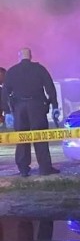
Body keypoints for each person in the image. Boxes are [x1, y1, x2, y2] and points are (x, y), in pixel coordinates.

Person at [1, 48, 60, 177]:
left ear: (19, 57)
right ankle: (45, 168)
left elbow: (4, 93)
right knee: (40, 137)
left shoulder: (12, 71)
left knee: (22, 138)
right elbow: (50, 88)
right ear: (31, 56)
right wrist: (54, 105)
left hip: (20, 109)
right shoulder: (40, 69)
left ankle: (23, 169)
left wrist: (7, 112)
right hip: (37, 107)